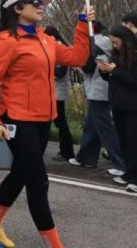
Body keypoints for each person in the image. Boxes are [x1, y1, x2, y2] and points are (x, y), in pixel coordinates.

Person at [0, 0, 96, 248]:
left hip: (43, 119)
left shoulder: (46, 38)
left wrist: (82, 24)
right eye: (35, 2)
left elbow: (78, 57)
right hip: (17, 120)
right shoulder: (7, 41)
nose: (42, 6)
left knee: (20, 173)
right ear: (17, 8)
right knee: (38, 182)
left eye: (42, 2)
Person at [71, 21, 125, 176]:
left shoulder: (92, 44)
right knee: (92, 125)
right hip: (105, 88)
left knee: (106, 128)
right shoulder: (109, 42)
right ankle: (86, 157)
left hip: (97, 90)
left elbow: (86, 67)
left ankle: (121, 163)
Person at [99, 25, 137, 192]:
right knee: (123, 141)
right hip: (117, 104)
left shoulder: (134, 56)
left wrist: (115, 70)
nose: (114, 46)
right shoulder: (116, 55)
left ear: (126, 41)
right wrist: (104, 71)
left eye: (116, 43)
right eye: (112, 43)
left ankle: (135, 178)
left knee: (133, 141)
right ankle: (128, 173)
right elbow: (112, 78)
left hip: (132, 106)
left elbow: (133, 80)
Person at [44, 26, 76, 161]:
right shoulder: (53, 47)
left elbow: (60, 72)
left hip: (58, 92)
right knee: (58, 122)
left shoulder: (59, 48)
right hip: (53, 91)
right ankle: (66, 151)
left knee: (60, 122)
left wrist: (43, 70)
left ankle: (67, 151)